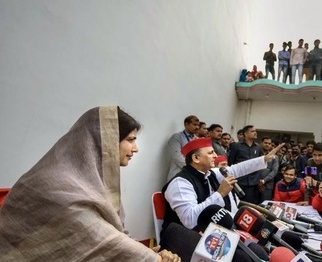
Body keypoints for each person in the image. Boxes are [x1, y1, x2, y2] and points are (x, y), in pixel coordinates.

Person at [0, 106, 180, 261]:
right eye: (130, 139)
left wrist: (143, 253)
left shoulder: (91, 181)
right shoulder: (57, 182)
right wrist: (148, 257)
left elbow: (110, 236)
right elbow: (99, 237)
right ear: (107, 142)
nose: (136, 148)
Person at [162, 137, 283, 230]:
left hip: (210, 231)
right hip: (183, 238)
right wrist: (220, 194)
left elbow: (237, 169)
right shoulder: (180, 183)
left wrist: (264, 159)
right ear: (196, 158)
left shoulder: (210, 173)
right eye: (210, 153)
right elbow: (190, 220)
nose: (215, 156)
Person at [228, 125, 264, 204]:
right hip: (239, 181)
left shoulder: (258, 147)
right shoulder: (236, 146)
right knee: (236, 203)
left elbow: (260, 163)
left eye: (255, 131)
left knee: (249, 205)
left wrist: (259, 178)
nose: (255, 133)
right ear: (245, 134)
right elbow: (231, 162)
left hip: (253, 182)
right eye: (252, 131)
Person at [166, 115, 200, 181]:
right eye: (194, 124)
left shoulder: (197, 139)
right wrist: (192, 168)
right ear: (186, 124)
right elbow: (177, 156)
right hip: (178, 173)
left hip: (194, 175)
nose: (197, 127)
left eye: (198, 125)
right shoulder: (177, 137)